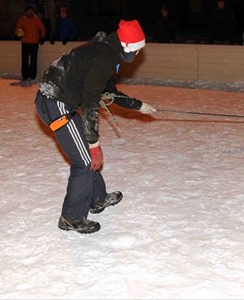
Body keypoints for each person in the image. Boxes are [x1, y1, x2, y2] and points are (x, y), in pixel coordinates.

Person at [35, 19, 157, 234]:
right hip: (55, 104)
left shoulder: (106, 50)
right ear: (127, 47)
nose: (138, 56)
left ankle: (97, 199)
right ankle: (71, 218)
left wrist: (138, 105)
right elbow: (91, 103)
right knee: (85, 160)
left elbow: (109, 92)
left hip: (59, 100)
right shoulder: (104, 58)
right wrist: (95, 144)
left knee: (87, 157)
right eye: (137, 51)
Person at [14, 5, 46, 85]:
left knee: (33, 60)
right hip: (25, 42)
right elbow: (18, 28)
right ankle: (25, 75)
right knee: (24, 60)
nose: (30, 13)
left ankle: (32, 75)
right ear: (26, 12)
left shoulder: (36, 19)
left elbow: (42, 28)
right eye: (28, 11)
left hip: (34, 43)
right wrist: (17, 35)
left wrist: (42, 37)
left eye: (31, 11)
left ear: (33, 12)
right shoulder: (22, 19)